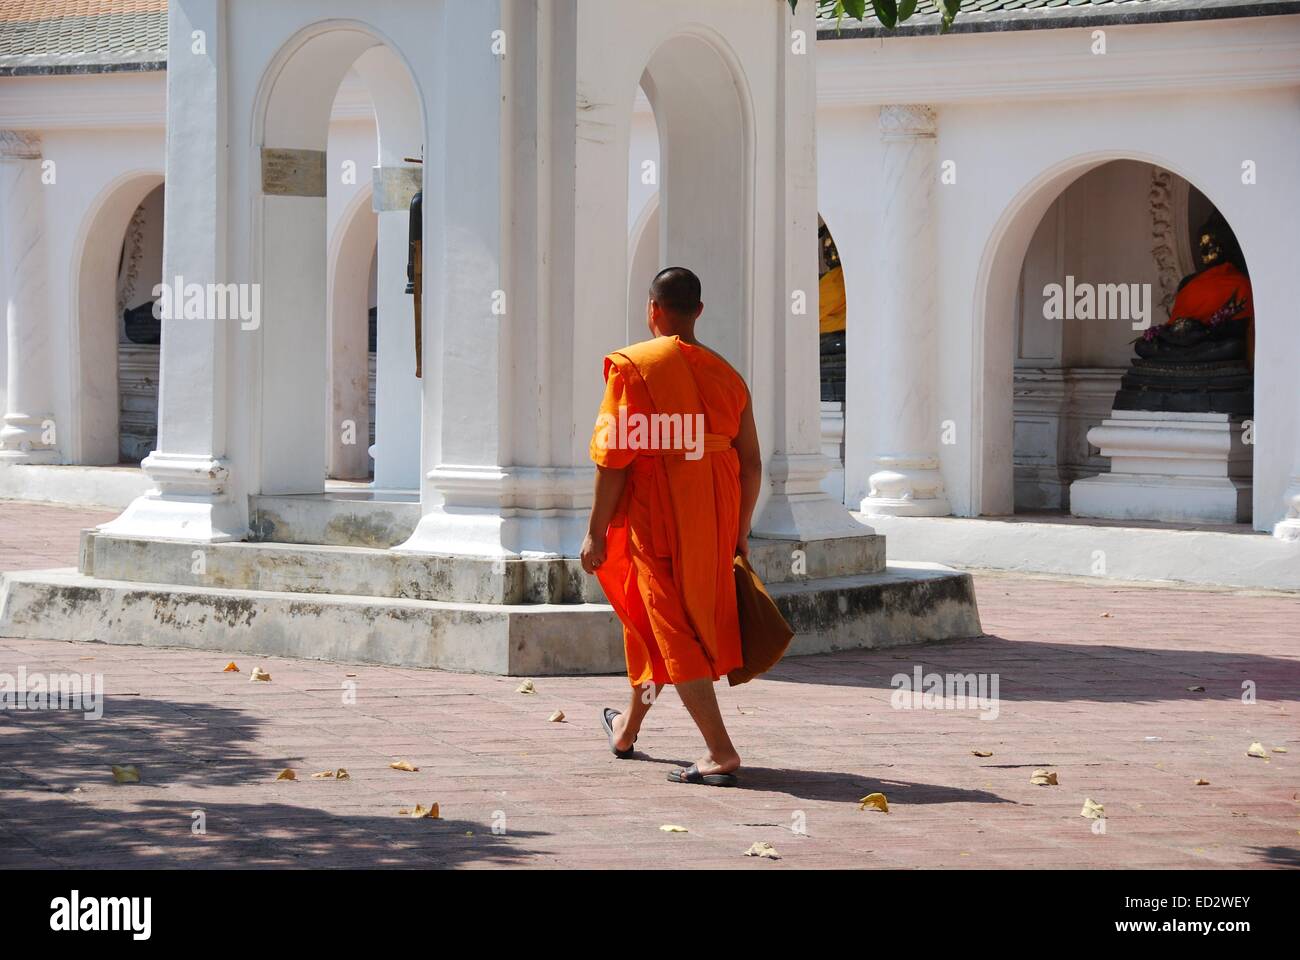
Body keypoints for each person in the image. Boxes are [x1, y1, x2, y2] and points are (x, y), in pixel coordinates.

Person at [581, 267, 762, 787]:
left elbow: (614, 460)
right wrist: (741, 527)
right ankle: (626, 729)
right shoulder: (728, 375)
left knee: (671, 627)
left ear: (652, 309)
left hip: (658, 522)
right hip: (713, 517)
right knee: (654, 626)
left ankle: (720, 751)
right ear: (698, 311)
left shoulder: (634, 367)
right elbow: (750, 463)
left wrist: (595, 532)